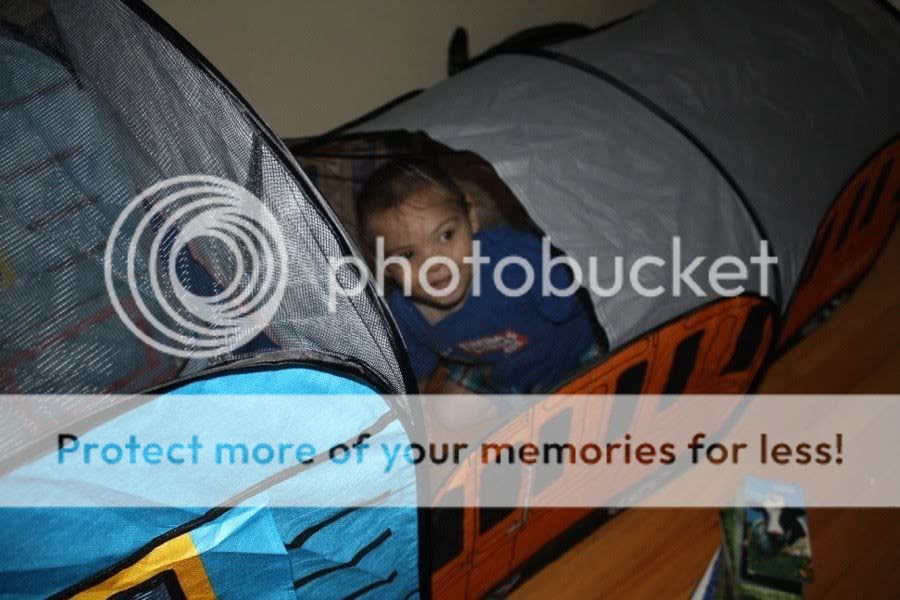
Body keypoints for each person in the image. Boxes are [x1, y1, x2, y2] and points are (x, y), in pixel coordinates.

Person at [356, 158, 601, 428]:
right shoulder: (405, 313)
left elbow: (578, 303)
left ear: (471, 218)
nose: (434, 264)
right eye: (407, 255)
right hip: (499, 367)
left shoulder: (518, 260)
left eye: (446, 236)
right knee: (446, 417)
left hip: (572, 351)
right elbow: (418, 364)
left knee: (592, 416)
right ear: (383, 265)